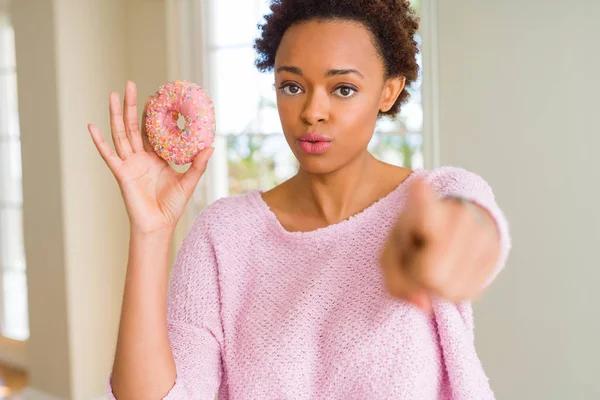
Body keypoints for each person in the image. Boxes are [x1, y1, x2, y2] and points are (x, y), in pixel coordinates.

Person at [87, 0, 511, 398]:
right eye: (292, 86)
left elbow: (475, 234)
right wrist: (150, 232)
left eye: (342, 88)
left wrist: (443, 252)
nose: (312, 111)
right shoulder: (224, 235)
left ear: (389, 90)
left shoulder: (438, 197)